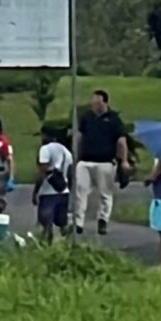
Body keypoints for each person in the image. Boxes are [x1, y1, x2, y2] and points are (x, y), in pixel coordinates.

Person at [72, 89, 130, 238]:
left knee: (105, 194)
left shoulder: (113, 119)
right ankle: (78, 222)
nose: (94, 104)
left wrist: (124, 160)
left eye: (97, 102)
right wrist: (76, 156)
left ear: (104, 102)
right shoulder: (87, 117)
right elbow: (80, 137)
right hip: (86, 160)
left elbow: (121, 141)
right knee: (80, 191)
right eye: (93, 102)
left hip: (105, 162)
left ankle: (103, 220)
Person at [34, 123, 73, 241]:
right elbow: (71, 173)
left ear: (45, 136)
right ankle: (66, 235)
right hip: (63, 191)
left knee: (46, 222)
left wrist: (35, 191)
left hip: (48, 192)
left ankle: (47, 244)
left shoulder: (45, 149)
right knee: (61, 221)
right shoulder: (66, 152)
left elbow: (42, 171)